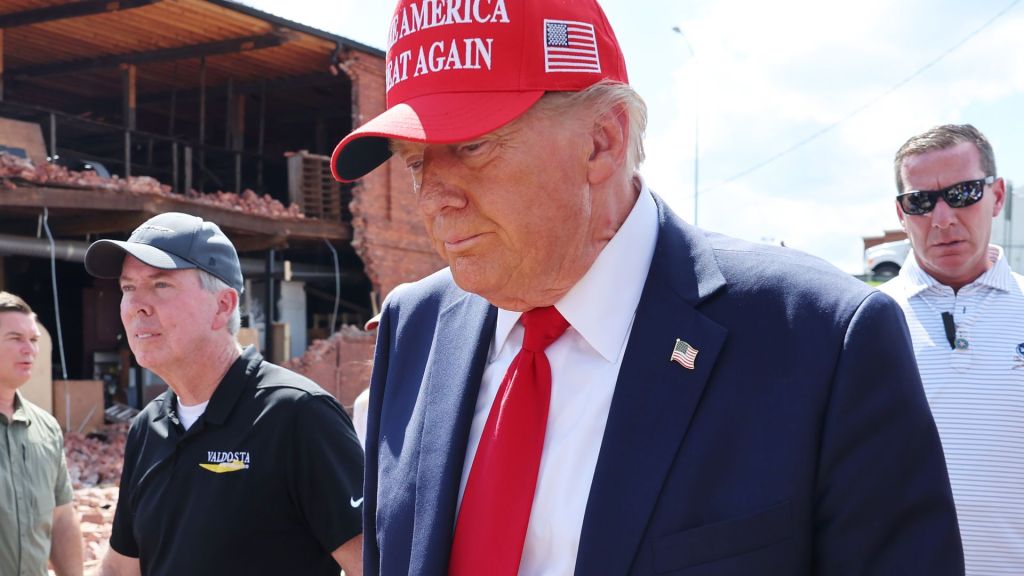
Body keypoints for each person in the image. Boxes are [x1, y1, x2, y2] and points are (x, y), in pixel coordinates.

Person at [331, 0, 964, 574]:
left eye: (470, 147)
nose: (433, 199)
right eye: (414, 163)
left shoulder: (820, 340)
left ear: (601, 142)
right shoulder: (414, 325)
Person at [83, 212, 364, 576]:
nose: (137, 305)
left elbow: (373, 564)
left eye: (160, 285)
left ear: (223, 306)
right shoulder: (147, 427)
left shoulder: (297, 415)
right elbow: (121, 569)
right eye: (128, 288)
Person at [880, 124, 1023, 574]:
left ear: (997, 196)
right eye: (921, 201)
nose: (942, 219)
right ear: (901, 214)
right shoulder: (859, 322)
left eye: (962, 193)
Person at [0, 291, 84, 576]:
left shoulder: (46, 429)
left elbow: (61, 521)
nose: (30, 350)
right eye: (16, 339)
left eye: (33, 340)